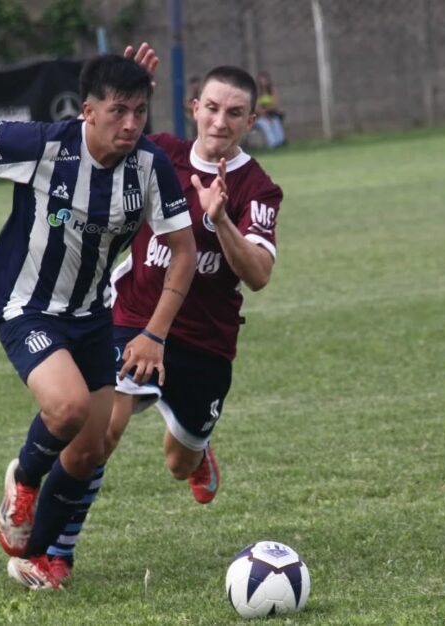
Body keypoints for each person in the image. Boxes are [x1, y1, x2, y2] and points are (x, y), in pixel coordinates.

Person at [0, 52, 212, 590]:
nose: (132, 124)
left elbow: (182, 250)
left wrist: (153, 332)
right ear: (87, 111)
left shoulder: (149, 166)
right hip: (23, 302)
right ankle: (21, 482)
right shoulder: (43, 145)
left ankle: (36, 555)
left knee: (88, 451)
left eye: (140, 111)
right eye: (118, 111)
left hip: (92, 313)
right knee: (65, 409)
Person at [44, 57, 284, 587]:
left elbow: (260, 274)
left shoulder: (259, 190)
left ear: (250, 122)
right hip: (133, 317)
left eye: (235, 113)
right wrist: (124, 85)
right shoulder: (162, 155)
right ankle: (58, 553)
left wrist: (219, 220)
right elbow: (109, 131)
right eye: (213, 108)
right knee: (101, 432)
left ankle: (197, 455)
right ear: (195, 109)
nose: (221, 122)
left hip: (205, 343)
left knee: (177, 463)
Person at [254, 70, 286, 149]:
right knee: (266, 125)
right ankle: (272, 144)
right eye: (261, 80)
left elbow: (275, 104)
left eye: (265, 80)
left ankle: (281, 142)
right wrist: (264, 115)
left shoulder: (272, 91)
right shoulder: (257, 92)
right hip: (260, 116)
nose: (263, 82)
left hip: (272, 114)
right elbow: (257, 107)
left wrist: (267, 110)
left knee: (276, 123)